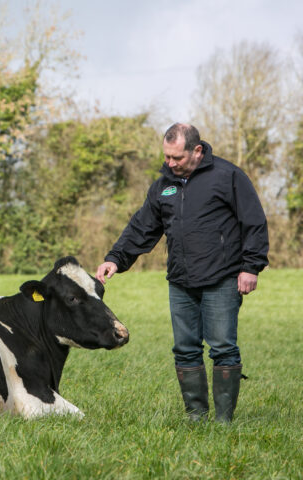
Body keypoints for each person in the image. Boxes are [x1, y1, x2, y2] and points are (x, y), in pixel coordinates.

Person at [96, 123, 269, 423]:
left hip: (222, 278)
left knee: (223, 347)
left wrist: (250, 267)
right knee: (185, 349)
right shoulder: (163, 185)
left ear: (197, 150)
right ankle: (196, 417)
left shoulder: (228, 176)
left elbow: (253, 221)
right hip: (180, 281)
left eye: (177, 158)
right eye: (167, 157)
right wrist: (116, 258)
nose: (170, 163)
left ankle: (224, 421)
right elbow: (142, 227)